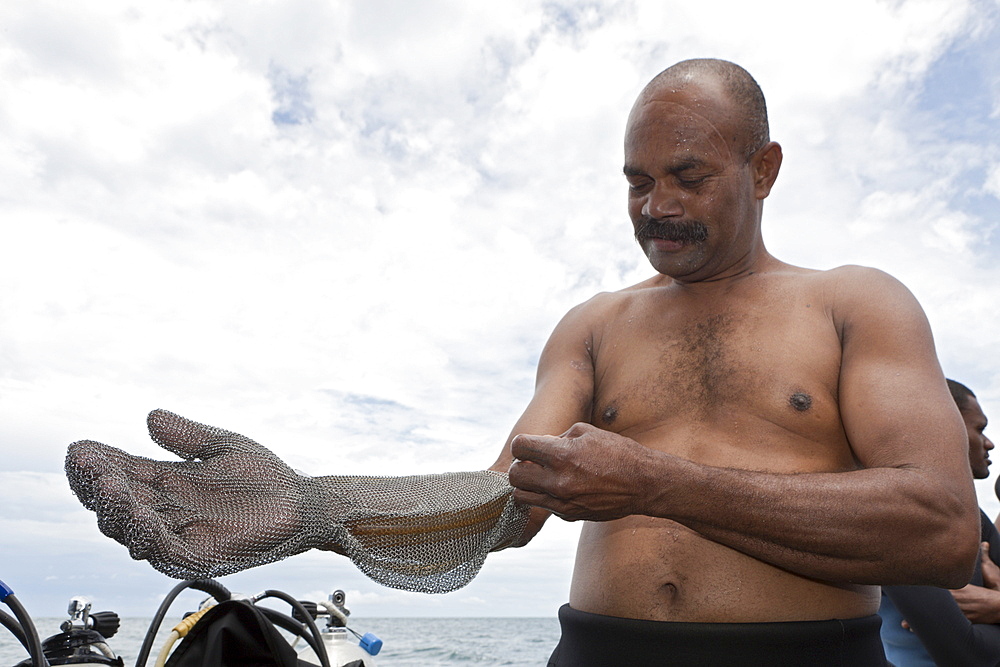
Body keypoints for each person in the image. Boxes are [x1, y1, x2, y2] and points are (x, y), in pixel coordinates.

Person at [65, 59, 982, 666]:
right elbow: (505, 504)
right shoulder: (594, 323)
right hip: (595, 651)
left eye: (689, 176)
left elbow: (938, 530)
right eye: (635, 179)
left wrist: (656, 483)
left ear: (766, 167)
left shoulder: (856, 302)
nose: (655, 205)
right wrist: (319, 507)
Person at [879, 379, 1000, 666]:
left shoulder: (972, 515)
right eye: (979, 428)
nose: (989, 443)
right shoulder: (898, 520)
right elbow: (969, 655)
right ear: (943, 425)